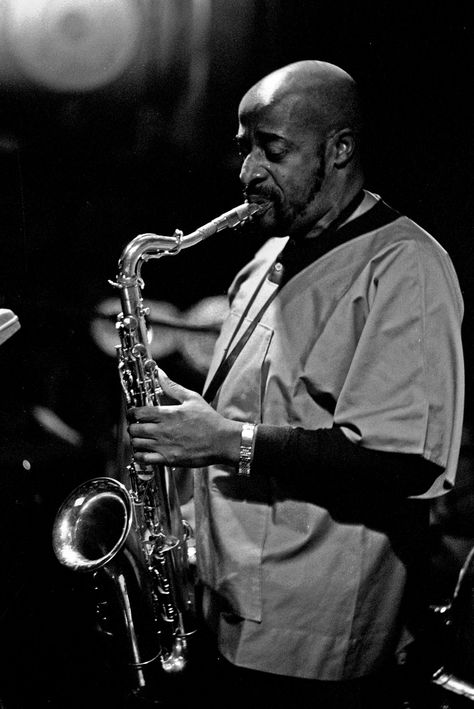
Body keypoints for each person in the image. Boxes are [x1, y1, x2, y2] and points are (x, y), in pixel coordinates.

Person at [128, 60, 464, 708]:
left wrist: (226, 439)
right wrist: (193, 419)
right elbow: (266, 405)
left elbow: (398, 461)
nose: (248, 173)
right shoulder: (262, 261)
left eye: (272, 149)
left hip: (314, 640)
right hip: (229, 609)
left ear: (340, 149)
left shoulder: (408, 266)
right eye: (245, 148)